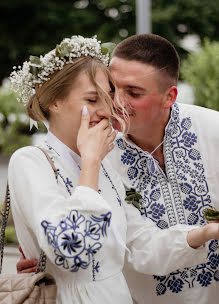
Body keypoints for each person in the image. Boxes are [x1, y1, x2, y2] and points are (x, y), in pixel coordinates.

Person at [12, 35, 219, 304]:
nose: (111, 107)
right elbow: (74, 251)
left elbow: (139, 245)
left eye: (106, 97)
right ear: (54, 102)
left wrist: (206, 234)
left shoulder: (104, 164)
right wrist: (91, 164)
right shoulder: (32, 161)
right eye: (92, 98)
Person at [107, 33, 219, 304]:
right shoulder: (100, 156)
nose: (117, 102)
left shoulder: (213, 129)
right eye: (111, 88)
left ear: (169, 96)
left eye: (133, 92)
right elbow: (134, 246)